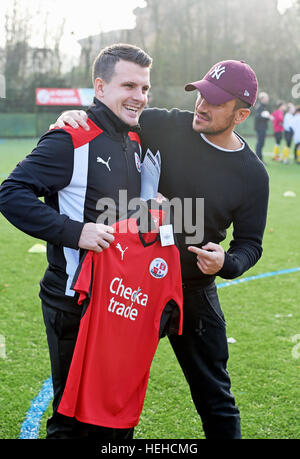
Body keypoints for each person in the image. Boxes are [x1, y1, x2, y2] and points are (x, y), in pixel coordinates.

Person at [52, 59, 269, 439]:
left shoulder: (252, 174)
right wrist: (75, 116)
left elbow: (250, 244)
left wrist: (226, 262)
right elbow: (111, 116)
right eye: (201, 93)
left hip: (194, 291)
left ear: (242, 114)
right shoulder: (166, 124)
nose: (201, 105)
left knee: (215, 398)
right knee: (111, 390)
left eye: (215, 101)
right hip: (135, 286)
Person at [0, 43, 152, 439]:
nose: (139, 96)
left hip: (120, 300)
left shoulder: (135, 139)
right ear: (100, 87)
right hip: (74, 301)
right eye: (129, 85)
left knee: (114, 414)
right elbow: (11, 193)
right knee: (71, 420)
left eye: (145, 88)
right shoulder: (71, 137)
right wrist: (75, 231)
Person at [254, 91, 271, 163]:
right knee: (260, 143)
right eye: (266, 98)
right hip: (260, 128)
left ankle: (260, 159)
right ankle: (259, 159)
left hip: (262, 128)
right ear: (262, 99)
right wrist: (266, 117)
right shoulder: (260, 107)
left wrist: (267, 117)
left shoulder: (263, 107)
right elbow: (257, 117)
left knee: (261, 143)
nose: (267, 99)